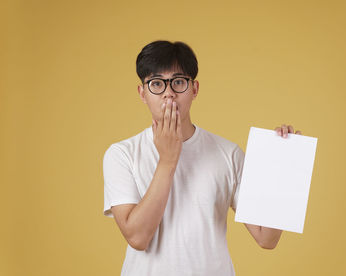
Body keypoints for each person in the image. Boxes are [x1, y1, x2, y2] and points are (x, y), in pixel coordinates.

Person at [102, 40, 303, 276]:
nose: (168, 93)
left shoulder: (228, 153)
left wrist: (285, 166)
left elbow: (266, 237)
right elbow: (137, 238)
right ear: (142, 93)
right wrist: (168, 159)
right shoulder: (122, 154)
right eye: (156, 83)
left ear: (194, 89)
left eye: (178, 82)